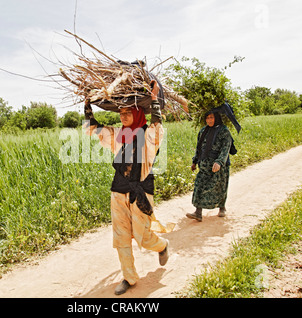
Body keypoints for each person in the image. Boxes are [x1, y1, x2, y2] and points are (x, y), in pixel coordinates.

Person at [84, 80, 171, 296]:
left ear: (138, 114)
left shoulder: (148, 135)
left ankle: (161, 245)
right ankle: (129, 277)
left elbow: (158, 125)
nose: (123, 116)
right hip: (118, 190)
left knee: (143, 236)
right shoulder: (118, 134)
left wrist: (153, 100)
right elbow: (94, 128)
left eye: (128, 112)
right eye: (121, 112)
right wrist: (86, 104)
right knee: (121, 237)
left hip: (141, 190)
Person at [186, 110, 233, 221]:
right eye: (207, 118)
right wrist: (195, 161)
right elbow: (199, 147)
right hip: (204, 164)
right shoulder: (203, 131)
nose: (209, 120)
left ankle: (222, 207)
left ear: (216, 117)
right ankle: (198, 212)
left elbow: (225, 148)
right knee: (199, 185)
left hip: (219, 166)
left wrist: (219, 162)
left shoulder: (224, 131)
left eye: (211, 118)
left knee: (220, 186)